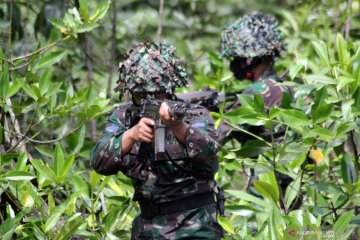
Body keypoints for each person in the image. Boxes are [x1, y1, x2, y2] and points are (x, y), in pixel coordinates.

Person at [90, 41, 222, 239]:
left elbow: (210, 156)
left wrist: (178, 126)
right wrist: (131, 135)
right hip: (149, 227)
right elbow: (99, 163)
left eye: (158, 93)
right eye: (141, 94)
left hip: (196, 225)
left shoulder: (194, 115)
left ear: (170, 89)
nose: (151, 99)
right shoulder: (123, 117)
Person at [219, 12, 296, 204]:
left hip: (266, 195)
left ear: (250, 59)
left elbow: (215, 137)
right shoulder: (289, 89)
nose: (234, 62)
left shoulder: (256, 92)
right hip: (294, 193)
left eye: (237, 56)